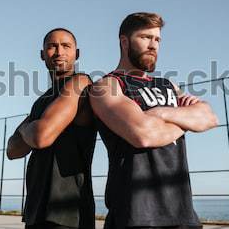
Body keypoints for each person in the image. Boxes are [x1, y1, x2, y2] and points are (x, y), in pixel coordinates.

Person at [89, 12, 219, 229]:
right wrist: (187, 121)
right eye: (145, 37)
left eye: (157, 39)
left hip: (183, 215)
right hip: (135, 215)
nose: (153, 45)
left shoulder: (167, 84)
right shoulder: (107, 85)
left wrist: (161, 113)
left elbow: (209, 117)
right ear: (124, 41)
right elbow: (143, 134)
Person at [6, 28, 96, 229]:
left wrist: (28, 127)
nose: (59, 52)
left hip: (69, 210)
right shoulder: (42, 100)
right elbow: (12, 150)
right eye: (51, 46)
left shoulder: (81, 83)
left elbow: (40, 137)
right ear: (42, 54)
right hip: (36, 208)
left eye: (66, 46)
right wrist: (33, 126)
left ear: (77, 53)